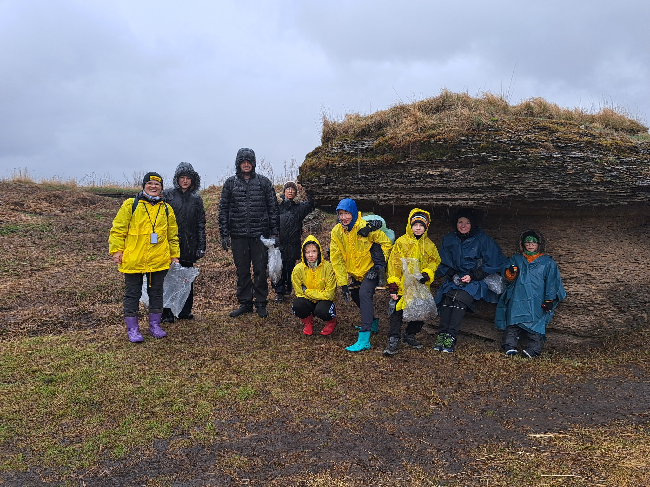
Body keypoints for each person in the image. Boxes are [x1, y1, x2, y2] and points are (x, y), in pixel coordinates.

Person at [109, 172, 180, 342]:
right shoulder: (130, 205)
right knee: (132, 293)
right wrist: (116, 250)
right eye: (150, 183)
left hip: (158, 259)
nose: (153, 186)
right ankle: (133, 329)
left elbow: (172, 235)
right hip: (134, 259)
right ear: (144, 186)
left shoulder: (166, 209)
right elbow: (118, 229)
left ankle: (155, 325)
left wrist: (174, 255)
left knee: (156, 292)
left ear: (161, 188)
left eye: (157, 184)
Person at [434, 209, 508, 353]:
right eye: (460, 222)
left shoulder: (482, 239)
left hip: (475, 280)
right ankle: (441, 335)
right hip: (454, 278)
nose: (463, 225)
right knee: (448, 299)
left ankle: (451, 337)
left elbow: (494, 261)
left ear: (472, 224)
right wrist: (452, 274)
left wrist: (473, 276)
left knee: (460, 299)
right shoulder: (449, 239)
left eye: (467, 223)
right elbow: (441, 261)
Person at [218, 148, 280, 318]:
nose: (246, 164)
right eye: (243, 162)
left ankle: (260, 302)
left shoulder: (264, 183)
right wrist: (224, 234)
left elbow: (273, 209)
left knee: (260, 270)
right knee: (242, 270)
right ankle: (245, 303)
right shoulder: (230, 184)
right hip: (238, 235)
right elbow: (223, 210)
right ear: (238, 164)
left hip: (260, 235)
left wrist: (275, 234)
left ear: (253, 163)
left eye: (249, 161)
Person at [330, 198, 393, 352]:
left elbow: (386, 243)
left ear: (353, 212)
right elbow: (337, 259)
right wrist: (343, 283)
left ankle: (364, 338)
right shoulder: (337, 232)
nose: (344, 217)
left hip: (371, 271)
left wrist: (378, 266)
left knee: (364, 294)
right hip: (355, 273)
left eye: (347, 213)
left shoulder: (365, 227)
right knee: (355, 293)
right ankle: (372, 322)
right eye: (340, 214)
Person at [495, 229, 566, 358]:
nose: (530, 245)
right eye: (527, 242)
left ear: (539, 244)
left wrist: (549, 299)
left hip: (537, 298)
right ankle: (509, 345)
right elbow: (507, 278)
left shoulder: (548, 262)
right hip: (518, 296)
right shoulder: (516, 259)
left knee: (536, 323)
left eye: (533, 243)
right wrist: (511, 272)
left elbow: (552, 282)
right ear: (522, 244)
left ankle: (533, 349)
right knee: (513, 320)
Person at [384, 209, 441, 355]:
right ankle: (393, 339)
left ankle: (410, 334)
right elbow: (394, 264)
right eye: (415, 225)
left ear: (426, 227)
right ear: (410, 225)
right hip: (403, 286)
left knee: (421, 312)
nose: (418, 228)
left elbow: (434, 262)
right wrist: (393, 284)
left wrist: (427, 274)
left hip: (419, 286)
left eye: (421, 225)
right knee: (397, 312)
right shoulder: (401, 242)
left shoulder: (429, 245)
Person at [160, 162, 206, 323]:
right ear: (177, 179)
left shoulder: (196, 199)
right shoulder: (167, 195)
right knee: (168, 279)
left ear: (193, 180)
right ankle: (166, 312)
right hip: (170, 245)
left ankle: (185, 311)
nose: (185, 181)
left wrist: (201, 246)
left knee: (186, 279)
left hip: (189, 245)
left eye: (188, 178)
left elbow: (201, 223)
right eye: (182, 177)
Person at [273, 181, 315, 302]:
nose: (290, 191)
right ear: (284, 191)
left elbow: (311, 205)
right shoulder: (277, 205)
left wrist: (309, 188)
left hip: (293, 242)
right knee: (278, 268)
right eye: (288, 189)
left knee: (290, 267)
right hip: (279, 242)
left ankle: (289, 287)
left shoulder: (299, 207)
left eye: (293, 189)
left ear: (296, 192)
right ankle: (279, 292)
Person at [291, 235, 338, 335]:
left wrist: (307, 292)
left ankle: (331, 322)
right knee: (298, 305)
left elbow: (330, 294)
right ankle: (308, 322)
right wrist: (313, 295)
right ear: (303, 254)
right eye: (307, 252)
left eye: (314, 251)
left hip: (324, 301)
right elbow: (299, 293)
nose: (310, 255)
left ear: (319, 252)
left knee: (323, 310)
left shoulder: (328, 267)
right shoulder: (298, 269)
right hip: (309, 300)